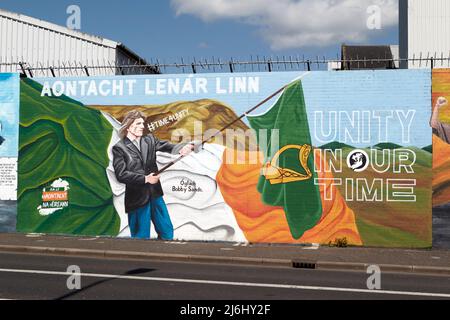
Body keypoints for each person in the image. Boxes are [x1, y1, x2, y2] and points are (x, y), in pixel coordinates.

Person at [112, 110, 194, 240]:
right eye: (138, 123)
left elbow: (167, 146)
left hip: (155, 195)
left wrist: (181, 148)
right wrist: (145, 179)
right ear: (129, 126)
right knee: (140, 238)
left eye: (142, 123)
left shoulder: (149, 140)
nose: (142, 126)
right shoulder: (120, 148)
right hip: (137, 199)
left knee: (167, 231)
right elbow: (121, 174)